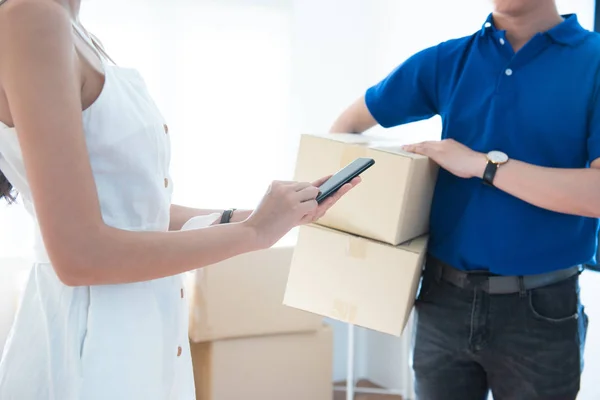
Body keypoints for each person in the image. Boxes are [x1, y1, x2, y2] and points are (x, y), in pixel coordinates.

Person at [0, 0, 360, 398]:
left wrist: (268, 217)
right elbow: (79, 254)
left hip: (139, 334)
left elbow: (135, 215)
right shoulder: (32, 17)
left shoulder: (72, 26)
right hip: (94, 347)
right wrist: (255, 232)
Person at [331, 0, 598, 399]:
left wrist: (481, 165)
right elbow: (347, 128)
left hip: (541, 311)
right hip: (442, 300)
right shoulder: (449, 59)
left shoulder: (593, 62)